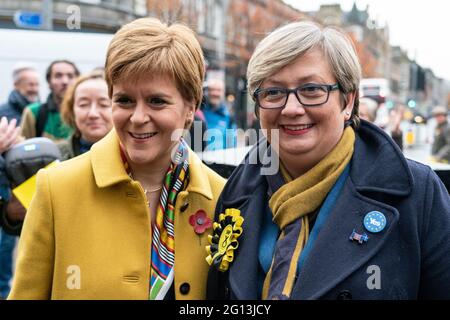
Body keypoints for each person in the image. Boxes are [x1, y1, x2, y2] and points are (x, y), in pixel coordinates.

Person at [206, 21, 450, 300]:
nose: (292, 108)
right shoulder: (235, 193)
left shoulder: (419, 195)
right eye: (273, 92)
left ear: (347, 102)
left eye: (311, 89)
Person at [9, 17, 225, 300]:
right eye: (124, 100)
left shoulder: (222, 196)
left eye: (157, 101)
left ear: (191, 107)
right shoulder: (55, 188)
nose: (137, 118)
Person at [0, 64, 39, 299]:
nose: (34, 88)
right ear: (17, 86)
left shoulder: (35, 110)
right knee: (6, 246)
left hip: (24, 185)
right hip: (8, 187)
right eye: (29, 84)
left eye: (36, 84)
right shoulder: (6, 111)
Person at [20, 60, 79, 141]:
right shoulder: (33, 112)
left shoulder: (85, 114)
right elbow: (23, 149)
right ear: (49, 82)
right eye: (58, 76)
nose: (65, 81)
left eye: (70, 76)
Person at [59, 72, 113, 159]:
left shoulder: (133, 156)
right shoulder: (56, 156)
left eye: (104, 104)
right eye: (83, 104)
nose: (93, 114)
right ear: (71, 110)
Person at [202, 78, 237, 150]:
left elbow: (231, 145)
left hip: (220, 159)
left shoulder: (229, 116)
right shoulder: (200, 112)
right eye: (212, 90)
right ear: (207, 92)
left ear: (223, 93)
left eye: (218, 90)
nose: (215, 93)